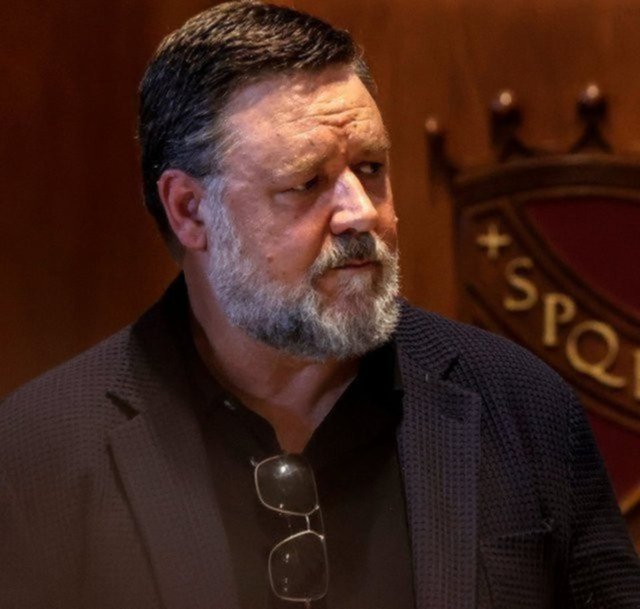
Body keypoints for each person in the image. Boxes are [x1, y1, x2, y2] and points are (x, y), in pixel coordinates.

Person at [1, 2, 639, 608]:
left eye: (372, 168)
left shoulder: (522, 406)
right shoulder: (40, 453)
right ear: (190, 210)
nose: (360, 212)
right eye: (306, 183)